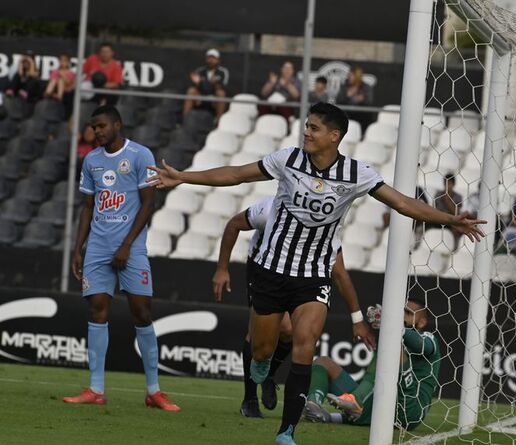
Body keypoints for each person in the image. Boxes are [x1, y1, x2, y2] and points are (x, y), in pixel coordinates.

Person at [147, 102, 485, 445]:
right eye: (306, 126)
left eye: (314, 128)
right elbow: (235, 174)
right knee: (261, 351)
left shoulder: (356, 173)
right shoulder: (287, 160)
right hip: (270, 269)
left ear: (334, 136)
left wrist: (450, 219)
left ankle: (287, 431)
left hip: (313, 276)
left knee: (304, 344)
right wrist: (183, 177)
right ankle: (260, 369)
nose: (306, 132)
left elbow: (401, 202)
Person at [212, 196, 376, 418]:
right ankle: (249, 399)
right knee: (259, 336)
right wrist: (222, 269)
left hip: (301, 273)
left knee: (289, 330)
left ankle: (268, 374)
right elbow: (233, 225)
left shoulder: (325, 227)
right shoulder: (270, 210)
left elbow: (340, 274)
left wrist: (357, 319)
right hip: (263, 268)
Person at [63, 105, 180, 412]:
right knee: (97, 310)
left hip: (132, 248)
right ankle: (96, 389)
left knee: (142, 312)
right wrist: (78, 248)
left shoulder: (140, 155)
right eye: (93, 127)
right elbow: (87, 206)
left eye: (101, 126)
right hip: (98, 249)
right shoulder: (91, 160)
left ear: (117, 124)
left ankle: (154, 391)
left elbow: (148, 203)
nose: (97, 131)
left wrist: (127, 244)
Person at [303, 298, 440, 432]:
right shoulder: (396, 335)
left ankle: (356, 401)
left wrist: (394, 326)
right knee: (323, 363)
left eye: (408, 313)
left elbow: (421, 345)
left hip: (410, 409)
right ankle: (314, 405)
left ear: (421, 322)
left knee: (390, 345)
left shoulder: (429, 338)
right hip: (382, 405)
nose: (402, 316)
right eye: (401, 312)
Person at [183, 48, 229, 120]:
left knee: (221, 93)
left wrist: (215, 84)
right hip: (201, 94)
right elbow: (195, 85)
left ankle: (219, 122)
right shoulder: (200, 71)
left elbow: (223, 87)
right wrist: (197, 83)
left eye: (213, 58)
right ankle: (185, 120)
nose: (211, 60)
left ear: (218, 60)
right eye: (209, 58)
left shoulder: (222, 72)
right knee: (191, 91)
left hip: (215, 96)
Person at [335, 66, 373, 133]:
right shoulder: (344, 86)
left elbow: (369, 101)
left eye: (351, 75)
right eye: (348, 75)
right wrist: (347, 96)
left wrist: (362, 100)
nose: (348, 77)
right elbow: (338, 100)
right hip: (346, 115)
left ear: (357, 76)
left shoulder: (366, 87)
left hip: (361, 116)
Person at [433, 174, 463, 250]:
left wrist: (447, 201)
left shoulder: (458, 197)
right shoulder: (438, 194)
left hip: (451, 221)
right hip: (438, 220)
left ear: (453, 184)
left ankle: (453, 248)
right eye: (445, 183)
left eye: (449, 184)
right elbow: (435, 210)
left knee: (457, 228)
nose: (447, 186)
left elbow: (456, 213)